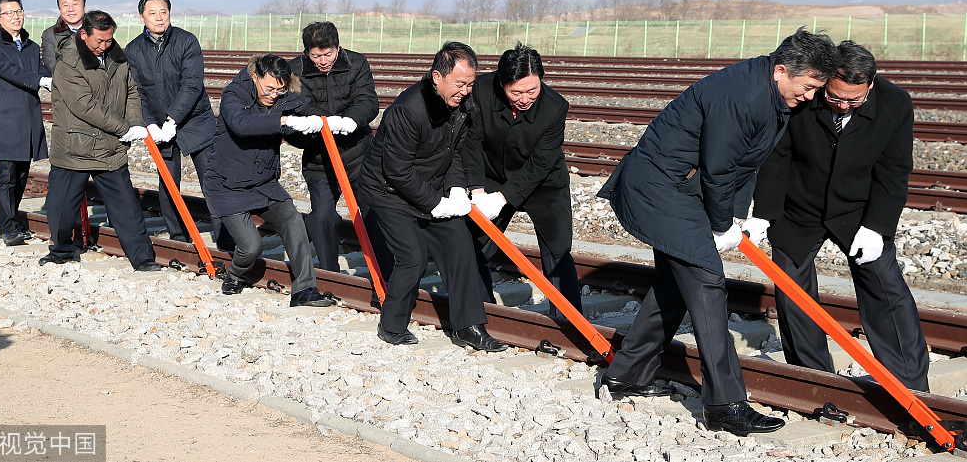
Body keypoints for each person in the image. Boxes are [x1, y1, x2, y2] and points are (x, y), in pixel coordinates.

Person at [596, 28, 838, 436]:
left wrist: (736, 218)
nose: (811, 96)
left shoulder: (769, 90)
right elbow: (721, 169)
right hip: (661, 189)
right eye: (809, 86)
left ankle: (627, 374)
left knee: (677, 283)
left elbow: (747, 162)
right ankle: (725, 404)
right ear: (781, 70)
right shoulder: (743, 96)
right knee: (708, 284)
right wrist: (722, 224)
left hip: (682, 188)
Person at [744, 41, 929, 391]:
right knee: (793, 291)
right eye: (835, 97)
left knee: (886, 288)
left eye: (854, 100)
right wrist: (764, 214)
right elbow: (776, 156)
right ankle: (813, 378)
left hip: (857, 209)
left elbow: (894, 171)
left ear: (870, 86)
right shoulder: (804, 96)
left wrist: (877, 228)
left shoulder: (896, 104)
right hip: (799, 205)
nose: (843, 105)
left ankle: (911, 384)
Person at [357, 42, 508, 352]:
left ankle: (468, 326)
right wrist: (436, 204)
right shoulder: (408, 110)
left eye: (470, 84)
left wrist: (455, 188)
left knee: (459, 242)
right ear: (437, 76)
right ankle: (392, 326)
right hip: (386, 192)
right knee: (412, 257)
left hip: (428, 188)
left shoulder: (461, 105)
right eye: (459, 83)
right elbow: (397, 171)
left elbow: (452, 153)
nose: (466, 91)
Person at [203, 53, 335, 307]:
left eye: (280, 89)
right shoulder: (234, 93)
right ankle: (235, 275)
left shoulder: (282, 93)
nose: (274, 95)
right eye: (269, 89)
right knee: (251, 247)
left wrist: (327, 121)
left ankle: (304, 290)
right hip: (227, 183)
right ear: (255, 77)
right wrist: (283, 120)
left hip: (263, 181)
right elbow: (242, 124)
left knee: (293, 220)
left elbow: (306, 106)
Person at [461, 42, 582, 314]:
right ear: (501, 83)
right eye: (516, 92)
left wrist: (504, 198)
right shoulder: (480, 91)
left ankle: (570, 319)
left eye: (532, 90)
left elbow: (541, 162)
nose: (525, 98)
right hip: (492, 174)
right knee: (474, 244)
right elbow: (472, 142)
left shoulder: (555, 107)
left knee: (557, 250)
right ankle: (481, 310)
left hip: (543, 183)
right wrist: (477, 191)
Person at [41, 10, 162, 272]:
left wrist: (135, 124)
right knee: (61, 209)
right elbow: (84, 105)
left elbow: (131, 91)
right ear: (84, 34)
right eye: (99, 41)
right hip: (75, 148)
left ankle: (142, 258)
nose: (104, 46)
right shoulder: (68, 64)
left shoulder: (118, 58)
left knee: (127, 207)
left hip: (110, 148)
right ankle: (61, 250)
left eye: (109, 40)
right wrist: (123, 128)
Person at [125, 0, 230, 249]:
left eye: (163, 12)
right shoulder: (133, 50)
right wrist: (151, 124)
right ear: (142, 17)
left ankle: (226, 240)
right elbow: (137, 91)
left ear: (170, 14)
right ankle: (178, 237)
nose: (159, 18)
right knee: (169, 182)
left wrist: (173, 119)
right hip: (159, 127)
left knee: (212, 181)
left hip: (195, 121)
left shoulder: (186, 41)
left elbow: (192, 85)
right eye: (152, 13)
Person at [287, 22, 378, 273]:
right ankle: (329, 273)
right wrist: (326, 123)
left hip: (359, 156)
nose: (323, 61)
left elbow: (368, 100)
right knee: (322, 217)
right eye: (316, 56)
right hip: (320, 160)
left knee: (374, 214)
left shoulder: (357, 63)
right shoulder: (295, 70)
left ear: (338, 47)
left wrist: (350, 120)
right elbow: (301, 105)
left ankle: (384, 272)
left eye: (328, 54)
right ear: (307, 52)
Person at [0, 0, 50, 246]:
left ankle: (3, 224)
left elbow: (41, 70)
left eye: (18, 11)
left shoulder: (31, 46)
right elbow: (11, 72)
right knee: (6, 175)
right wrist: (41, 81)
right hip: (3, 120)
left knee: (21, 175)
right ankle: (10, 226)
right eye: (9, 13)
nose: (15, 16)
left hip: (28, 119)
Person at [41, 0, 86, 76]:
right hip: (67, 84)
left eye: (75, 4)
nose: (71, 9)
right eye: (65, 5)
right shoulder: (50, 35)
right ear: (60, 9)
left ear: (84, 7)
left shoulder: (96, 30)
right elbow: (51, 64)